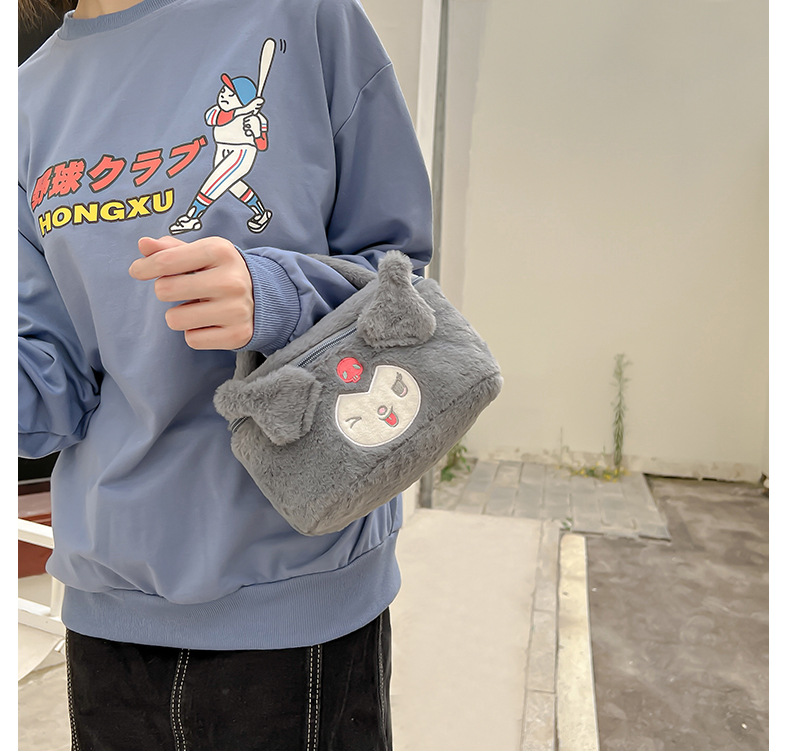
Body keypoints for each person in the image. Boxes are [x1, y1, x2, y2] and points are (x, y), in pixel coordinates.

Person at [18, 0, 432, 748]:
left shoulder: (302, 16)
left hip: (298, 600)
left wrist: (277, 296)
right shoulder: (26, 98)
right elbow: (50, 389)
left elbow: (406, 288)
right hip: (109, 610)